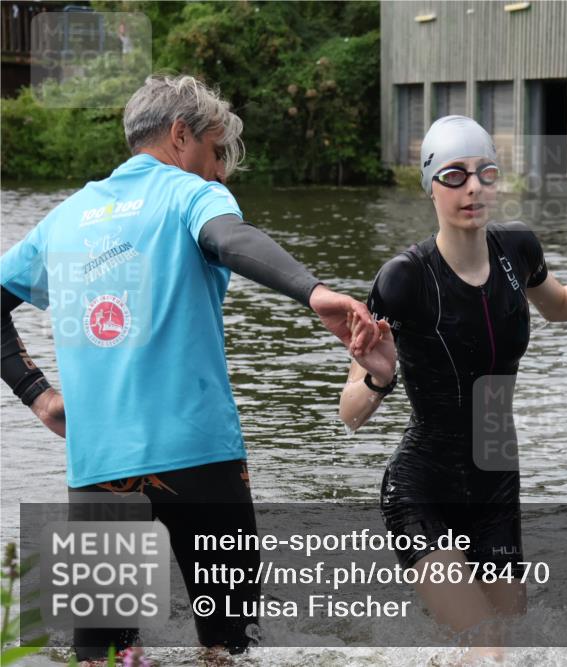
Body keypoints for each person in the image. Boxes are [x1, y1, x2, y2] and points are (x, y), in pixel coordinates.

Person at [1, 74, 379, 662]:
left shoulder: (64, 219)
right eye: (216, 150)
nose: (221, 170)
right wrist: (314, 292)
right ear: (181, 136)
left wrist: (37, 394)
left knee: (103, 659)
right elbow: (231, 238)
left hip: (99, 468)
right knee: (230, 651)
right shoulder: (187, 193)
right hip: (200, 461)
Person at [338, 115, 567, 661]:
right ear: (429, 184)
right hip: (422, 486)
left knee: (510, 647)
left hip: (497, 475)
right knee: (488, 642)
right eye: (454, 175)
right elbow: (350, 413)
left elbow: (562, 304)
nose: (473, 187)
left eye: (486, 172)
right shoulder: (403, 278)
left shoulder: (517, 249)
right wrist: (381, 373)